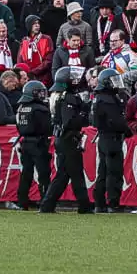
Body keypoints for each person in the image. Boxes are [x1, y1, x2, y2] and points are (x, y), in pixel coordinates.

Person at [40, 67, 94, 214]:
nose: (76, 80)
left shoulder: (60, 96)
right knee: (75, 174)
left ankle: (47, 205)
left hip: (64, 139)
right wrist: (83, 114)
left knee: (63, 175)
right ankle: (84, 206)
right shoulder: (68, 98)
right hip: (68, 139)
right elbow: (69, 122)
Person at [90, 68, 129, 213]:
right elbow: (117, 120)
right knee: (114, 171)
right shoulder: (108, 100)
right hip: (111, 137)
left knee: (103, 171)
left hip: (103, 137)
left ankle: (99, 202)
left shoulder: (99, 98)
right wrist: (128, 131)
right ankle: (113, 202)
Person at [14, 80, 52, 211]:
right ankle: (45, 200)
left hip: (25, 143)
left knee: (26, 173)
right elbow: (47, 127)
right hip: (38, 143)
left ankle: (21, 201)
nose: (42, 95)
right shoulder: (41, 109)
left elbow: (18, 126)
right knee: (43, 173)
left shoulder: (21, 108)